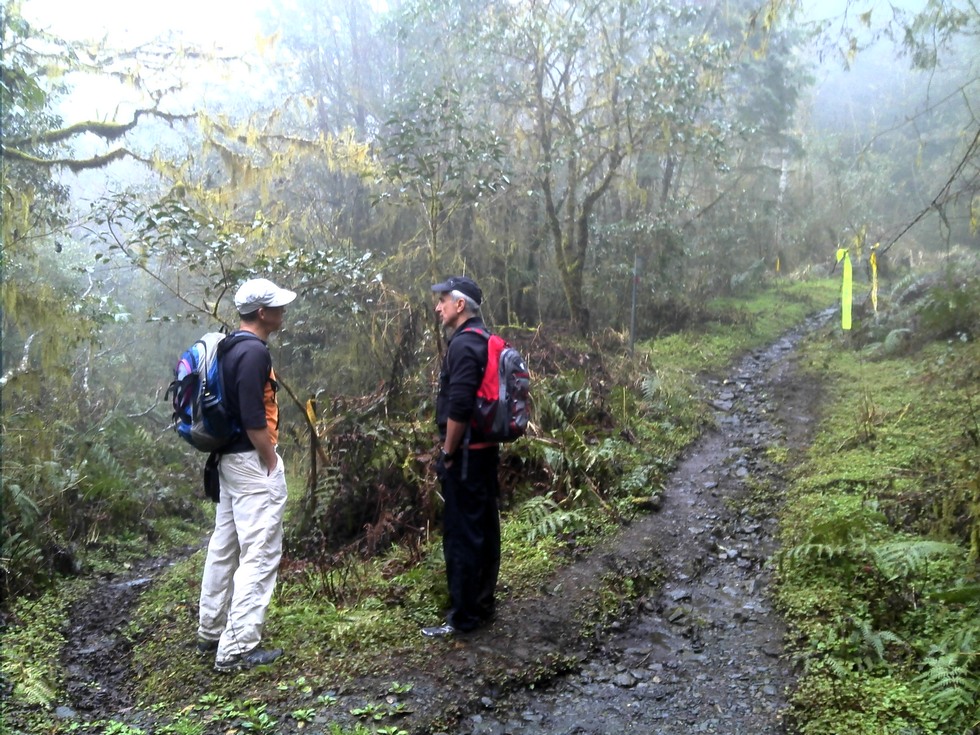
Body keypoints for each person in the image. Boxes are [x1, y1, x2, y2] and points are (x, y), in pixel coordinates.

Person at [196, 277, 296, 672]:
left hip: (228, 463)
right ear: (261, 313)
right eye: (277, 306)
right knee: (260, 552)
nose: (282, 311)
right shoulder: (253, 353)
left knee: (225, 546)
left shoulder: (227, 347)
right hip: (251, 463)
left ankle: (211, 629)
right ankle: (236, 648)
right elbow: (255, 419)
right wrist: (270, 460)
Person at [423, 275, 501, 638]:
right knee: (485, 526)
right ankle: (482, 604)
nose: (437, 307)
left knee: (461, 533)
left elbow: (459, 405)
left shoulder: (463, 345)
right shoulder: (485, 340)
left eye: (442, 301)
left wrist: (447, 452)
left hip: (466, 454)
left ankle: (463, 617)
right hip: (486, 451)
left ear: (460, 305)